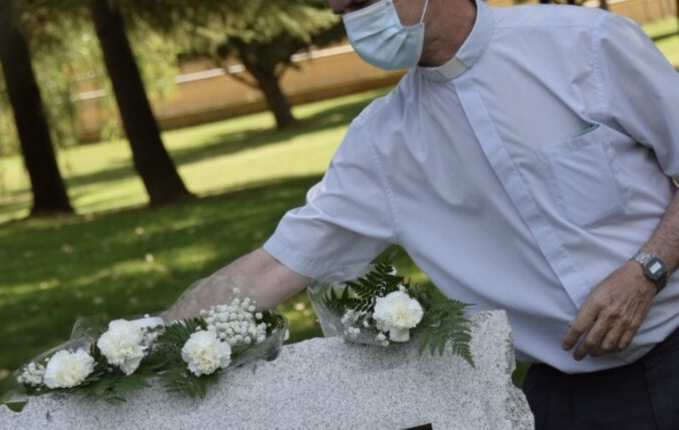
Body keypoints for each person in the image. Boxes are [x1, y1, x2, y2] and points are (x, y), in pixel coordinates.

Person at [162, 0, 679, 428]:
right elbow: (275, 265)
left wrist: (647, 270)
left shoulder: (585, 43)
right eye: (341, 12)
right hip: (569, 400)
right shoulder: (381, 144)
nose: (352, 21)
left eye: (361, 4)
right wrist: (145, 339)